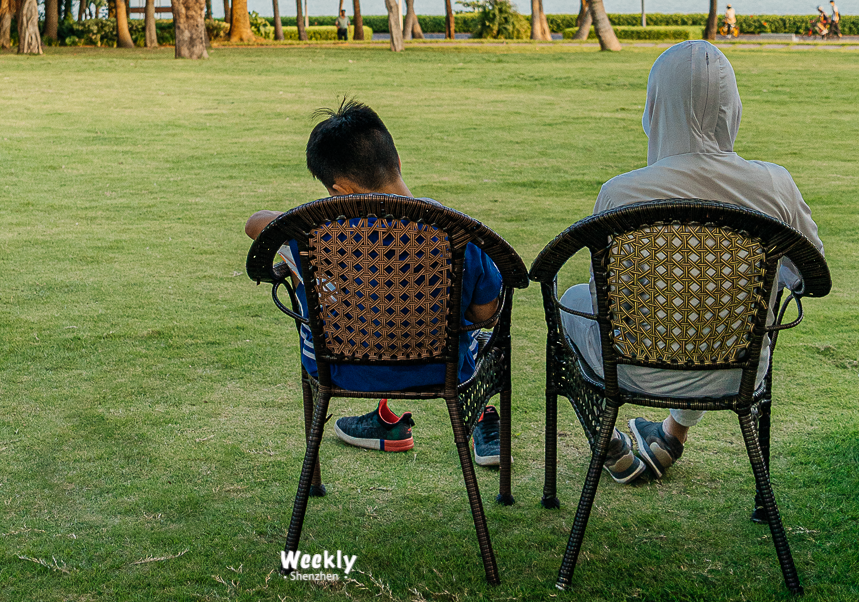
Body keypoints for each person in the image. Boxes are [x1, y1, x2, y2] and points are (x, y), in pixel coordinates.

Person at [558, 40, 823, 484]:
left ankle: (610, 442)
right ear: (731, 107)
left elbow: (607, 301)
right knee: (708, 312)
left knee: (574, 299)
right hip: (738, 371)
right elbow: (809, 279)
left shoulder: (621, 193)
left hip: (632, 369)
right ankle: (669, 436)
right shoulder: (775, 185)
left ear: (656, 105)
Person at [245, 100, 505, 465]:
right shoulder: (456, 231)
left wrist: (310, 217)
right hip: (440, 369)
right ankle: (480, 419)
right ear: (397, 161)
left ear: (339, 190)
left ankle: (371, 430)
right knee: (477, 338)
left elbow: (255, 223)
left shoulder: (314, 234)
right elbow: (486, 314)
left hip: (340, 368)